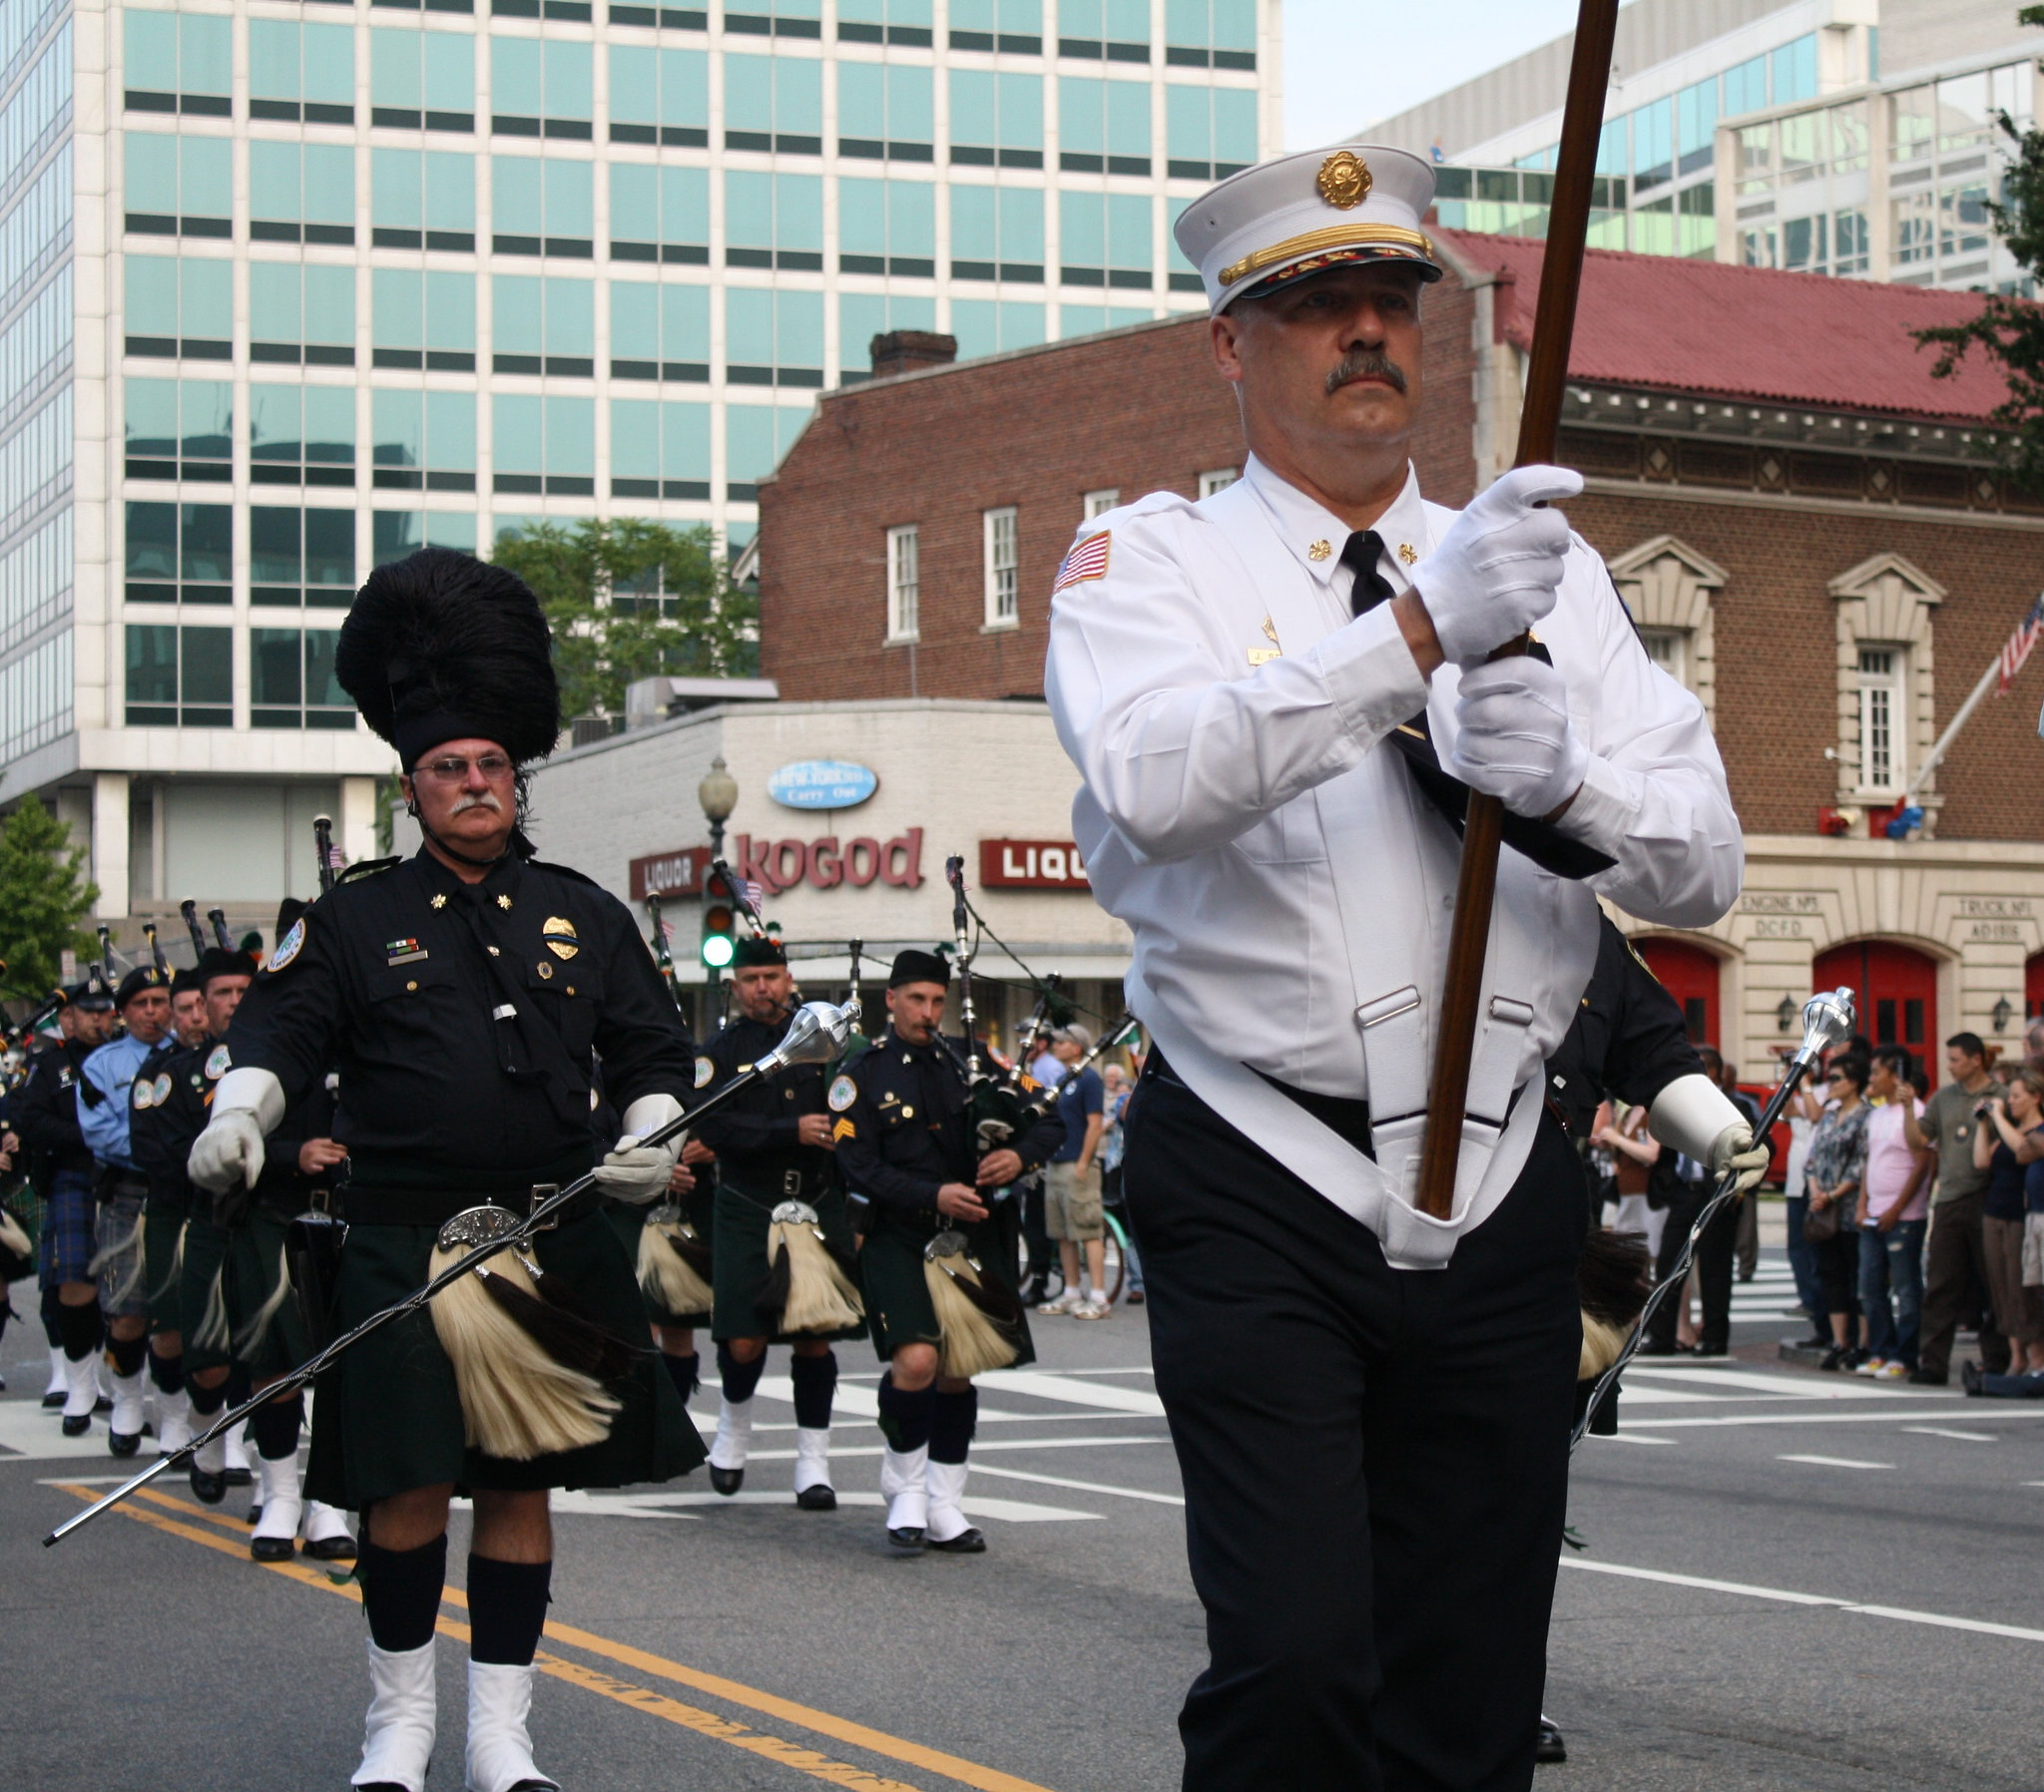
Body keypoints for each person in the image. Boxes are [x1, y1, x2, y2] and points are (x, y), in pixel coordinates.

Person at [1044, 144, 1743, 1786]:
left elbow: (1701, 855)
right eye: (1310, 305)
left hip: (1501, 1175)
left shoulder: (1551, 576)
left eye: (1386, 299)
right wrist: (1411, 635)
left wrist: (1563, 782)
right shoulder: (1144, 566)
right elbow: (1156, 776)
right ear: (1232, 342)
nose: (1359, 331)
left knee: (1471, 1690)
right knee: (1292, 1666)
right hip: (1258, 1163)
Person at [186, 549, 704, 1792]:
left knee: (520, 1485)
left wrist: (650, 1130)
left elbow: (653, 1050)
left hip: (547, 1229)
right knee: (407, 1486)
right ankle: (398, 1725)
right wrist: (242, 1109)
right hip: (405, 1235)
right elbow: (277, 1033)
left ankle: (502, 1736)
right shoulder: (354, 916)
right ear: (411, 786)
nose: (474, 786)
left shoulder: (585, 907)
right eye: (446, 770)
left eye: (490, 767)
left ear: (513, 776)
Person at [834, 950, 1065, 1554]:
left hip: (972, 1236)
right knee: (916, 1361)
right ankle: (903, 1486)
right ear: (891, 1000)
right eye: (916, 999)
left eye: (937, 1000)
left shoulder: (977, 1060)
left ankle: (945, 1501)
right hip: (899, 1232)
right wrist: (932, 1191)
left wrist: (1021, 1155)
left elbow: (1048, 1114)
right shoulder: (862, 1073)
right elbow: (856, 1164)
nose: (928, 1012)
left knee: (959, 1368)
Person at [691, 933, 861, 1508]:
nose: (763, 988)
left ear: (789, 980)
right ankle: (733, 1429)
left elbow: (855, 1108)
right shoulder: (722, 1050)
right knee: (743, 1339)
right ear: (735, 987)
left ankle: (813, 1462)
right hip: (748, 1202)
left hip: (816, 1197)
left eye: (771, 977)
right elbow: (713, 1129)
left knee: (815, 1339)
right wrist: (789, 1131)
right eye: (751, 979)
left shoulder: (831, 1043)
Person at [77, 962, 174, 1455]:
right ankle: (128, 1401)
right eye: (141, 1003)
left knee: (176, 1312)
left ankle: (177, 1418)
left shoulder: (191, 1055)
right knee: (127, 1312)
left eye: (160, 1001)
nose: (152, 1012)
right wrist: (161, 1146)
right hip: (128, 1193)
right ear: (124, 1012)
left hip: (181, 1194)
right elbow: (99, 1131)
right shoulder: (103, 1065)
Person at [15, 975, 115, 1428]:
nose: (98, 1020)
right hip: (72, 1177)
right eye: (87, 1012)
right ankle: (79, 1384)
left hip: (125, 1180)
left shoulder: (127, 1060)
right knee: (74, 1287)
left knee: (124, 1295)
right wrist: (87, 1137)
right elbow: (30, 1119)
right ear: (68, 1018)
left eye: (103, 1011)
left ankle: (107, 1384)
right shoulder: (51, 1065)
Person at [127, 966, 213, 1460]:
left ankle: (225, 1425)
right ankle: (175, 1416)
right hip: (174, 1210)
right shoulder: (156, 1075)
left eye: (202, 1004)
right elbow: (150, 1149)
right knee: (171, 1322)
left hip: (228, 1212)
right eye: (186, 1008)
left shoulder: (242, 1062)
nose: (196, 1016)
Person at [1908, 1032, 2006, 1385]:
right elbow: (1919, 1139)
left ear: (1976, 1059)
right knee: (1940, 1284)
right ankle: (1932, 1363)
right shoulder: (1943, 1098)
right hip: (1948, 1198)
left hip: (1987, 1196)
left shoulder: (2002, 1096)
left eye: (1954, 1059)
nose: (1949, 1066)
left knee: (1993, 1284)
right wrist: (1908, 1107)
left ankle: (1997, 1359)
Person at [1963, 1066, 2044, 1397]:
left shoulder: (2035, 1131)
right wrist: (1985, 1123)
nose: (2008, 1102)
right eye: (2007, 1096)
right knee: (2001, 1291)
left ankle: (2034, 1360)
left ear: (2036, 1097)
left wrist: (1998, 1117)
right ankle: (2016, 1358)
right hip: (1995, 1214)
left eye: (2015, 1096)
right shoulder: (2008, 1128)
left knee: (2022, 1292)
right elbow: (1982, 1161)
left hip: (2020, 1218)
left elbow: (2024, 1150)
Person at [1854, 1046, 1931, 1379]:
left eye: (1876, 1073)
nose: (1871, 1079)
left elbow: (1923, 1162)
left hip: (1905, 1216)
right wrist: (1862, 1204)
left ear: (1895, 1075)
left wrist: (1899, 1208)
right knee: (1870, 1287)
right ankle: (1880, 1350)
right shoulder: (1878, 1112)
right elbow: (1870, 1160)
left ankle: (1905, 1354)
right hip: (1873, 1212)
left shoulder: (1915, 1111)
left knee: (1906, 1287)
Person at [1037, 1023, 1111, 1318]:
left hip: (1077, 1164)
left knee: (1088, 1229)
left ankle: (1098, 1295)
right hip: (1056, 1162)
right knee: (1062, 1232)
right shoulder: (1066, 1078)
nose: (1056, 1046)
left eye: (1062, 1043)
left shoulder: (1089, 1079)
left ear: (1077, 1047)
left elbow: (1094, 1122)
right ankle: (1071, 1290)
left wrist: (1084, 1161)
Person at [1805, 1057, 1870, 1371]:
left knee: (1858, 1275)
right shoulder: (1829, 1118)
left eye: (1838, 1078)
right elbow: (1812, 1159)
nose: (1831, 1083)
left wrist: (1832, 1195)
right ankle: (1839, 1340)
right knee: (1831, 1275)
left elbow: (1862, 1164)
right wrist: (1816, 1191)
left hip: (1850, 1208)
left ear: (1854, 1081)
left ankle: (1863, 1342)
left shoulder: (1866, 1117)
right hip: (1824, 1209)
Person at [1099, 1063, 1143, 1304]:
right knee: (1133, 1230)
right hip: (1126, 1169)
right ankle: (1138, 1284)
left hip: (1158, 1169)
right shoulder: (1126, 1097)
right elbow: (1124, 1114)